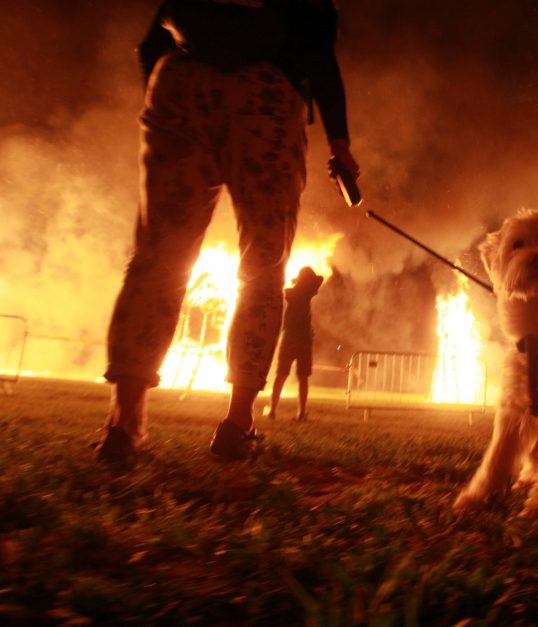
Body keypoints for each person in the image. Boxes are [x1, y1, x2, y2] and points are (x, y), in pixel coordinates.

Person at [95, 0, 359, 467]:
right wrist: (339, 140)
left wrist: (167, 107)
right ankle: (237, 423)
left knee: (156, 255)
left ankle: (125, 422)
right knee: (263, 262)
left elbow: (150, 42)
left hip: (179, 80)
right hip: (264, 95)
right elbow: (317, 52)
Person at [266, 267, 323, 422]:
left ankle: (272, 410)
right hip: (304, 338)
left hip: (289, 337)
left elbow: (282, 288)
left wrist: (296, 282)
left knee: (281, 375)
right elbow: (320, 279)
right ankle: (301, 412)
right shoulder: (308, 292)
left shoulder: (290, 293)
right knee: (303, 377)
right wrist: (304, 281)